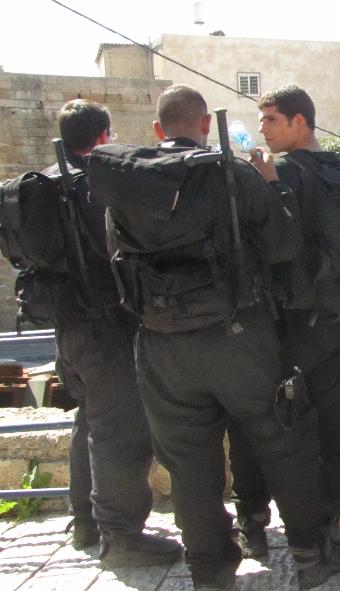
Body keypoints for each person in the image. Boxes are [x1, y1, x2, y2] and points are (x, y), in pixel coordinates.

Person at [88, 85, 340, 590]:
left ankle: (210, 570)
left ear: (158, 130)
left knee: (189, 464)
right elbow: (283, 245)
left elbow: (115, 259)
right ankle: (311, 552)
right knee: (284, 437)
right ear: (206, 124)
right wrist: (274, 188)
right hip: (238, 336)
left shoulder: (125, 186)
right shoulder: (230, 173)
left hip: (162, 343)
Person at [43, 100, 182, 566]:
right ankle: (121, 538)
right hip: (106, 327)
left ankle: (86, 521)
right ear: (103, 137)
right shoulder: (92, 187)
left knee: (91, 421)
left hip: (68, 329)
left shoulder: (46, 183)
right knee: (122, 431)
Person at [226, 84, 340, 556]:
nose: (262, 129)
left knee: (259, 418)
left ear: (298, 121)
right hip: (334, 317)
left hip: (283, 320)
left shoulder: (280, 173)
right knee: (330, 420)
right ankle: (331, 518)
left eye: (270, 119)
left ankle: (253, 518)